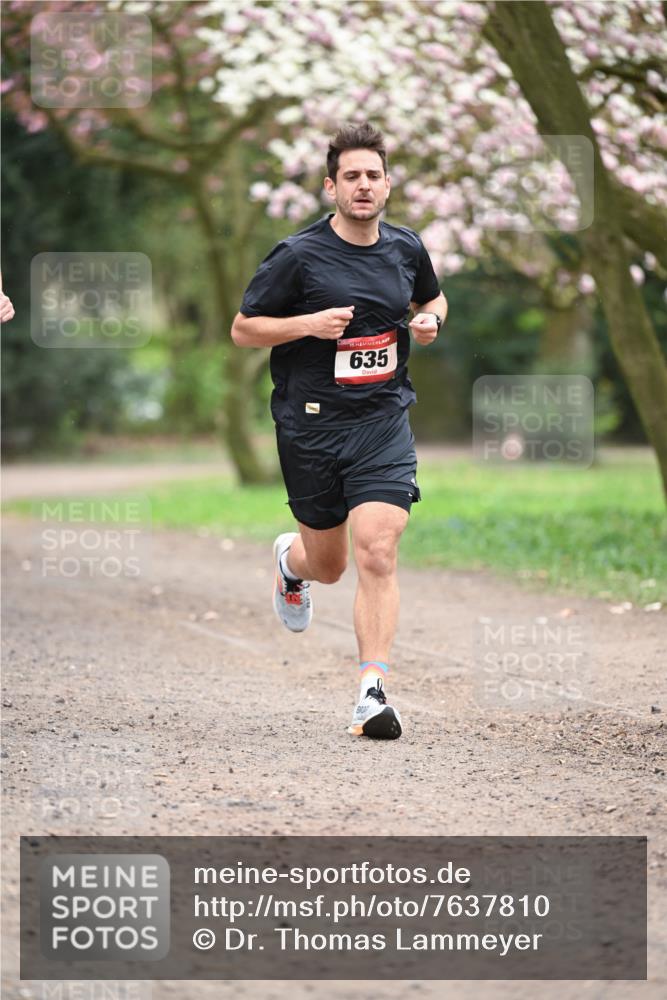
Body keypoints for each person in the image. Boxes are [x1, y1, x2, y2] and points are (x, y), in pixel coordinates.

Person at [231, 122, 447, 740]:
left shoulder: (406, 248)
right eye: (350, 176)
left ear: (387, 185)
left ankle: (371, 690)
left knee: (377, 548)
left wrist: (429, 322)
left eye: (372, 175)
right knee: (328, 565)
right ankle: (290, 565)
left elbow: (433, 300)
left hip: (381, 421)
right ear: (331, 186)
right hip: (312, 427)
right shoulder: (297, 255)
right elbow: (245, 328)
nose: (362, 185)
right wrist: (306, 324)